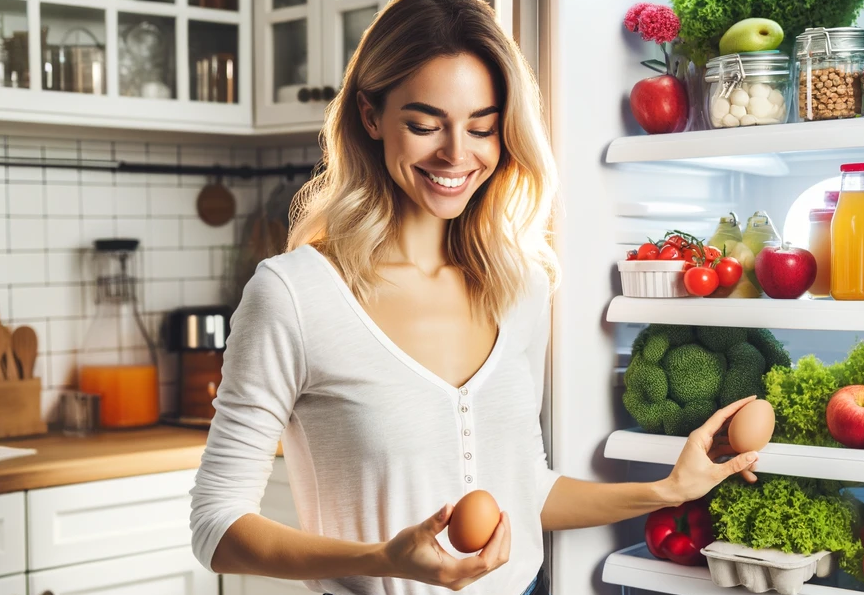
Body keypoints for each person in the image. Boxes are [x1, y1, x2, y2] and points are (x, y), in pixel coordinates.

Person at [189, 0, 759, 593]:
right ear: (370, 115)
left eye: (482, 127)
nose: (456, 154)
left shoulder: (520, 283)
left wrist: (666, 490)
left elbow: (524, 488)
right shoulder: (296, 294)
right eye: (425, 125)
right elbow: (215, 525)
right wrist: (385, 558)